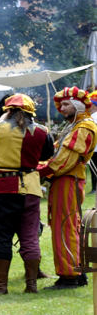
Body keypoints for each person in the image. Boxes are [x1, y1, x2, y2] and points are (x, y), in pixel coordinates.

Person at [0, 94, 54, 294]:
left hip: (5, 188)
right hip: (32, 189)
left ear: (8, 110)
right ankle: (31, 286)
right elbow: (46, 155)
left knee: (2, 236)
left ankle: (1, 285)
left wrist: (0, 120)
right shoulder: (43, 131)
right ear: (30, 112)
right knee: (30, 236)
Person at [37, 87, 97, 290]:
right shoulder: (74, 126)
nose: (61, 108)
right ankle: (76, 272)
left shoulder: (83, 127)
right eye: (60, 104)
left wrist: (39, 171)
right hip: (66, 180)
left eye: (66, 104)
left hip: (67, 180)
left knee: (64, 226)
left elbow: (63, 162)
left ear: (78, 105)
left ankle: (69, 276)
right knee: (69, 225)